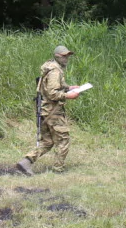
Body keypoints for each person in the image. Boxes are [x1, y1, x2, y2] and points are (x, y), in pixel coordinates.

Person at [15, 45, 80, 175]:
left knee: (47, 142)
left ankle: (25, 163)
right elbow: (52, 93)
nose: (67, 58)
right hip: (53, 112)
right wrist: (69, 95)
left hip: (46, 111)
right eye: (64, 56)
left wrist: (69, 87)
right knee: (63, 140)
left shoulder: (51, 68)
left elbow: (52, 87)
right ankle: (58, 170)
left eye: (68, 55)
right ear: (57, 56)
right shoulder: (55, 71)